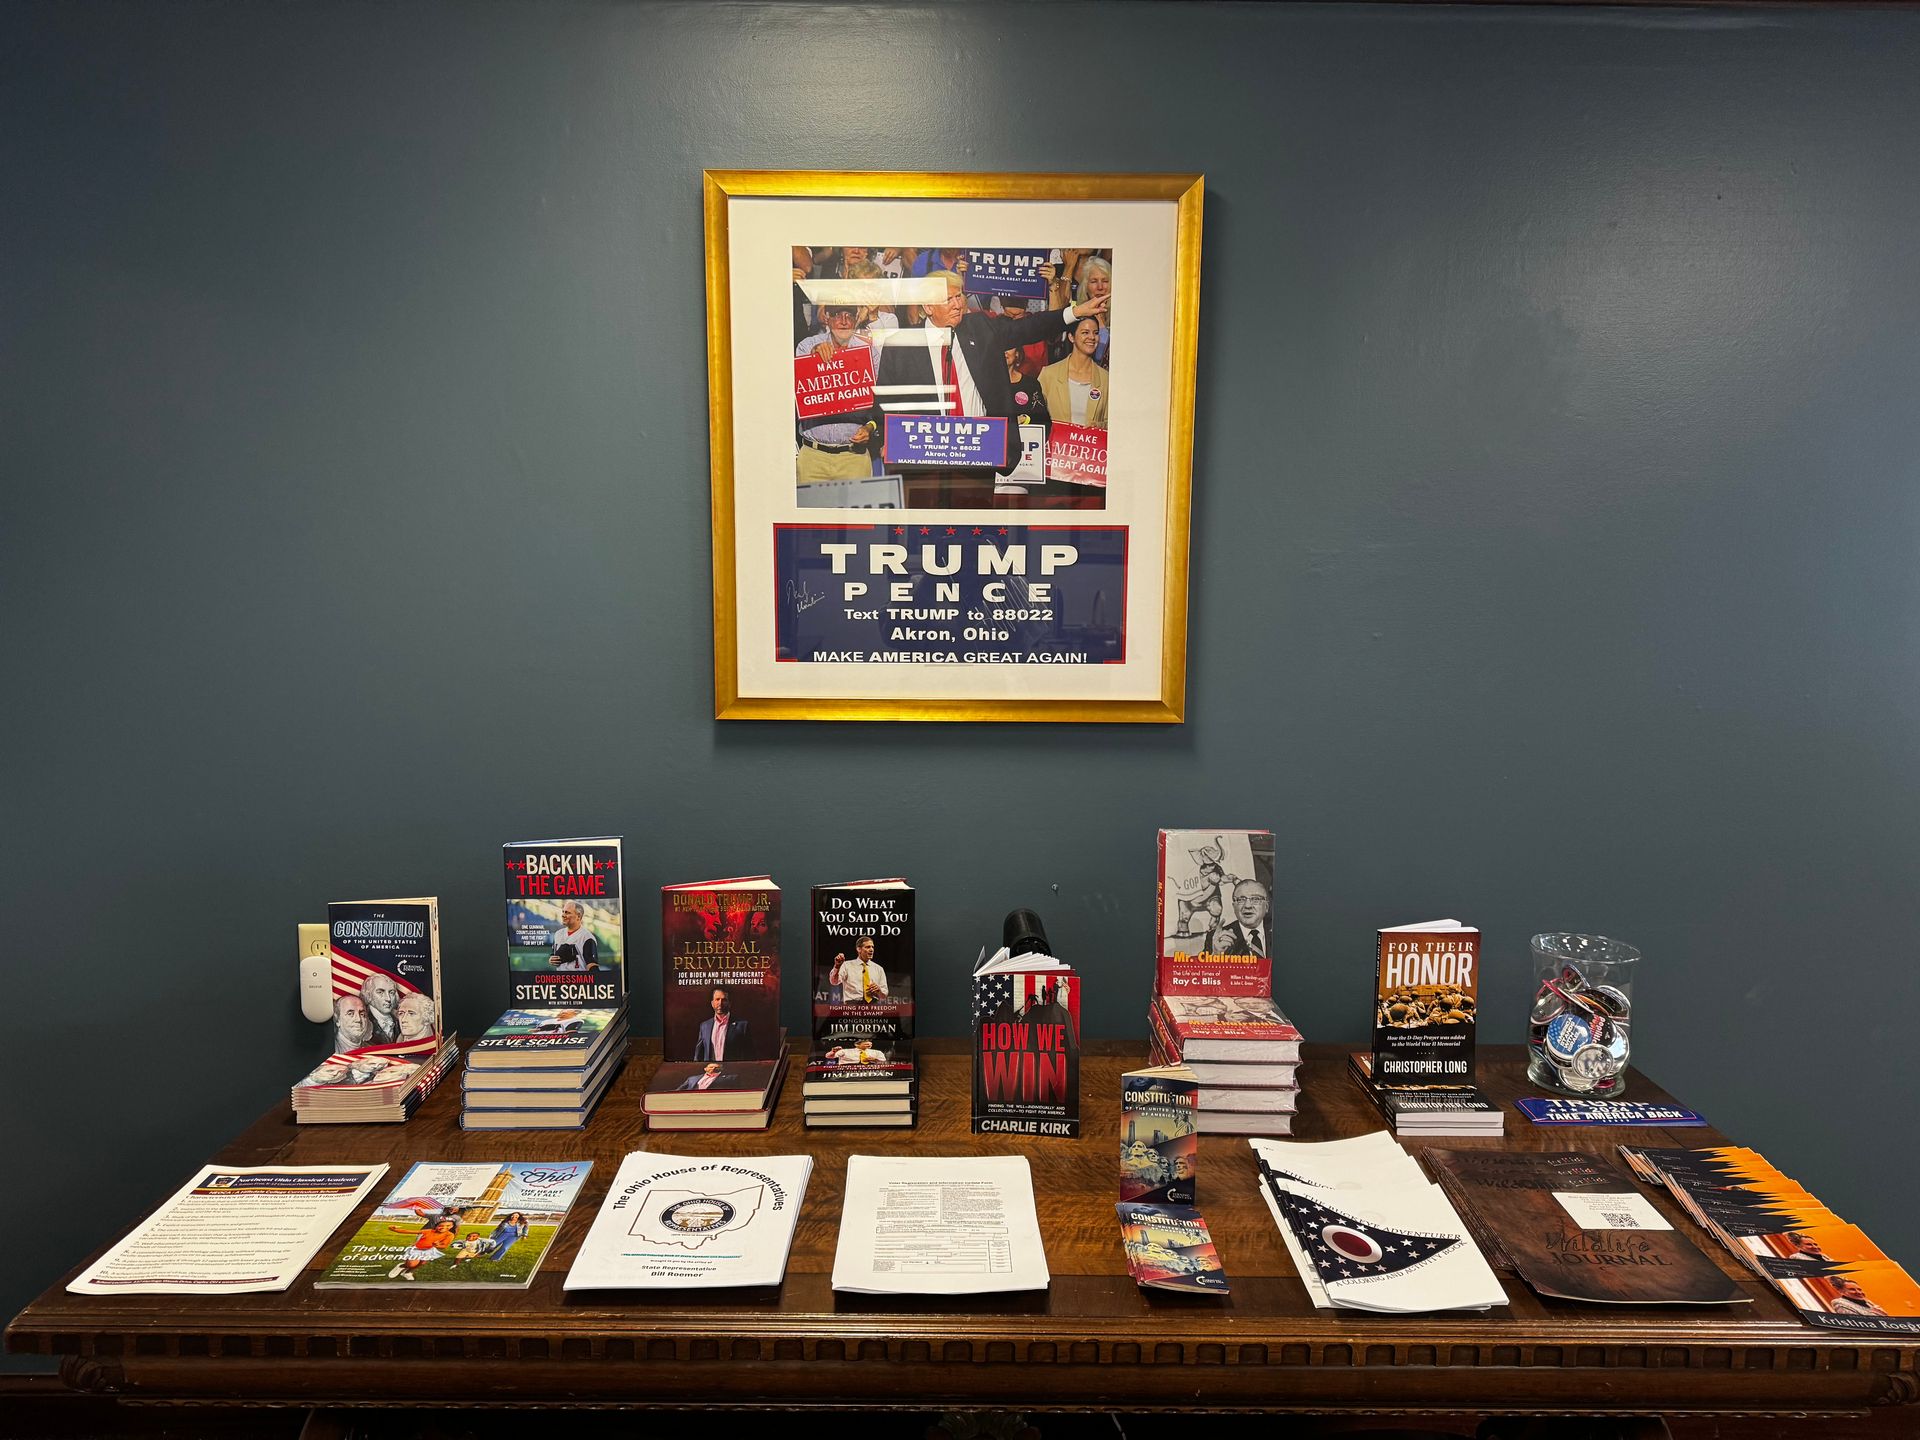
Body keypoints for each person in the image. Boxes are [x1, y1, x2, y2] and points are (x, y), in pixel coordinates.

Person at [861, 267, 1107, 473]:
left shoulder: (979, 327)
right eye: (949, 299)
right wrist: (885, 439)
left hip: (979, 455)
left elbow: (1029, 328)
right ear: (928, 306)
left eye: (960, 296)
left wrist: (1074, 312)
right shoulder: (902, 344)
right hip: (925, 461)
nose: (958, 305)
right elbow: (886, 401)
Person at [795, 301, 876, 484]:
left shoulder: (870, 352)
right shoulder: (806, 346)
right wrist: (813, 358)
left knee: (857, 512)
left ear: (856, 320)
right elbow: (795, 394)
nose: (843, 321)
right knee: (809, 512)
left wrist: (869, 428)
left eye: (849, 315)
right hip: (813, 457)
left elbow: (878, 405)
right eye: (838, 315)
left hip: (853, 457)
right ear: (827, 319)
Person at [1039, 316, 1110, 430]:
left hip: (1090, 446)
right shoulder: (1048, 374)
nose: (1092, 337)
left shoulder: (1106, 379)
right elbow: (1037, 419)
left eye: (1095, 333)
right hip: (1055, 446)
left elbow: (1112, 422)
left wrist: (1099, 426)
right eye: (1085, 332)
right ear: (1071, 337)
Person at [1210, 880, 1271, 958]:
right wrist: (1216, 955)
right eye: (1241, 900)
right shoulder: (1217, 938)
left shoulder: (1280, 931)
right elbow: (1202, 970)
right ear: (1234, 907)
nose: (1247, 906)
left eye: (1255, 899)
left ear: (1266, 907)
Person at [386, 1218, 459, 1280]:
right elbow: (409, 1231)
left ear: (452, 1226)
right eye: (441, 1225)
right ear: (436, 1226)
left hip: (429, 1250)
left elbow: (444, 1246)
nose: (443, 1227)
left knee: (422, 1263)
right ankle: (401, 1266)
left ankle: (407, 1272)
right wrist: (394, 1229)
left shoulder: (450, 1235)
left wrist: (437, 1245)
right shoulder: (429, 1231)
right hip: (417, 1249)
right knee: (411, 1264)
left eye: (448, 1226)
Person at [694, 986, 752, 1062]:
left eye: (724, 1000)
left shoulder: (742, 1026)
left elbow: (750, 1054)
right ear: (712, 1003)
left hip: (733, 1072)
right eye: (717, 999)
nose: (720, 1003)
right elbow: (698, 1055)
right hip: (710, 1072)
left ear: (729, 1003)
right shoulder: (704, 1026)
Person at [1075, 255, 1112, 365]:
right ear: (1085, 286)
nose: (1100, 287)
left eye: (1105, 281)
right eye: (1094, 281)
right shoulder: (1077, 317)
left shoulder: (1122, 314)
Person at [829, 935, 890, 1002]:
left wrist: (879, 991)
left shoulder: (879, 969)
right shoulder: (847, 965)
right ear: (859, 949)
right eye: (867, 947)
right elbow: (834, 982)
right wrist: (837, 967)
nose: (871, 949)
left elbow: (883, 996)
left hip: (872, 1007)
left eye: (872, 947)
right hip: (852, 1006)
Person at [458, 1212, 528, 1265]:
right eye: (513, 1215)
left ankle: (495, 1258)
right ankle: (479, 1253)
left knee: (505, 1248)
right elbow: (497, 1229)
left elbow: (526, 1227)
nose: (514, 1217)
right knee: (493, 1245)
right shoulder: (505, 1222)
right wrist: (492, 1235)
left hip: (513, 1236)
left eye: (516, 1216)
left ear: (518, 1217)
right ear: (511, 1216)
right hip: (502, 1235)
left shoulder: (521, 1222)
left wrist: (524, 1235)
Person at [549, 900, 598, 971]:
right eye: (563, 911)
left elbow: (592, 965)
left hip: (579, 980)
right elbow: (554, 954)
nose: (563, 915)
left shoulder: (587, 937)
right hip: (560, 980)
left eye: (567, 912)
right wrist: (552, 959)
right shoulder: (558, 934)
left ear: (578, 916)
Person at [359, 973, 401, 1043]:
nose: (388, 999)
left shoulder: (400, 1021)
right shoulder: (360, 1021)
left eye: (391, 993)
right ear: (369, 995)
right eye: (380, 992)